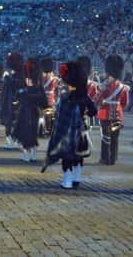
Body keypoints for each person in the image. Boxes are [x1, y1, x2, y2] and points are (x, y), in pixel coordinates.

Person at [42, 61, 97, 189]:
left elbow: (59, 114)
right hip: (80, 129)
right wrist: (84, 115)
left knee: (67, 155)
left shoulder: (65, 96)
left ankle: (67, 180)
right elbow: (94, 111)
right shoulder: (84, 96)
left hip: (66, 132)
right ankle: (77, 179)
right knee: (79, 155)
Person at [95, 55, 129, 165]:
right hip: (118, 114)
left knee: (106, 136)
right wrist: (119, 108)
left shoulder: (104, 85)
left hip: (105, 113)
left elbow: (97, 99)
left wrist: (99, 105)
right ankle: (113, 158)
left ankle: (105, 158)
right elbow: (125, 103)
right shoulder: (123, 87)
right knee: (115, 137)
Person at [13, 58, 48, 162]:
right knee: (28, 135)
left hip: (30, 114)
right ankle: (32, 154)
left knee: (28, 135)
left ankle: (28, 155)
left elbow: (43, 103)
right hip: (27, 113)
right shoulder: (34, 89)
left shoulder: (33, 90)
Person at [1, 53, 25, 149]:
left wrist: (6, 78)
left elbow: (12, 86)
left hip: (11, 101)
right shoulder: (19, 75)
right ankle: (16, 141)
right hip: (18, 101)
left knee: (10, 122)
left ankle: (11, 141)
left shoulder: (12, 76)